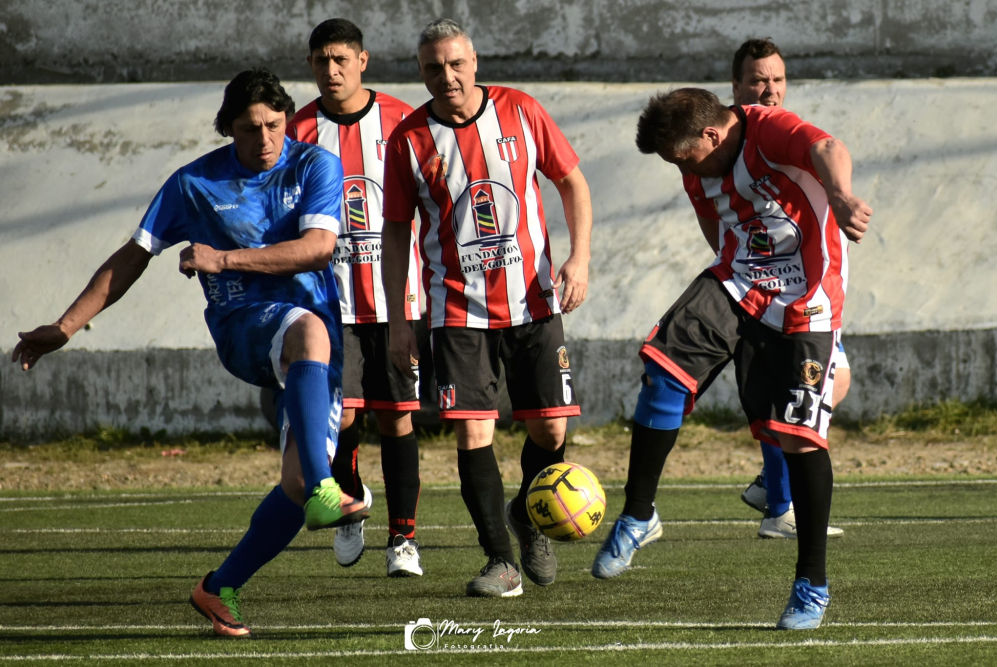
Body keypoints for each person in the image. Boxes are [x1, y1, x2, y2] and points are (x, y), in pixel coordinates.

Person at [11, 68, 369, 638]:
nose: (265, 138)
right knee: (306, 331)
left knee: (296, 484)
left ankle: (219, 586)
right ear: (228, 128)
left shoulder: (314, 164)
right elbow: (133, 255)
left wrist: (223, 259)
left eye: (274, 125)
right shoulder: (194, 183)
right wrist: (65, 326)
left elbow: (319, 248)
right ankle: (331, 488)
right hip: (244, 329)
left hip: (312, 339)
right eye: (250, 128)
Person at [591, 87, 871, 631]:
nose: (681, 168)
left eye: (683, 157)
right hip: (739, 279)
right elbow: (713, 217)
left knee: (799, 438)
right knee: (663, 372)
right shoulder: (694, 158)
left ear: (713, 135)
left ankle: (811, 583)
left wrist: (839, 196)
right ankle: (638, 514)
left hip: (806, 295)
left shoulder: (765, 130)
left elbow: (828, 146)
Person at [380, 18, 593, 598]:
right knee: (474, 433)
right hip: (457, 314)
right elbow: (396, 231)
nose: (446, 77)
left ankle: (528, 514)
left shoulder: (521, 111)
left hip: (535, 301)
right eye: (432, 68)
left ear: (474, 63)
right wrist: (401, 321)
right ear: (421, 73)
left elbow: (572, 181)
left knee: (549, 430)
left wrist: (579, 258)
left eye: (455, 64)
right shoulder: (409, 140)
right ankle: (500, 560)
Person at [286, 17, 423, 577]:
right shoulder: (296, 130)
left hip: (395, 300)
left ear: (363, 60)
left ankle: (403, 540)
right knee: (340, 422)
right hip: (326, 304)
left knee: (396, 420)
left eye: (341, 59)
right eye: (321, 60)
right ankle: (349, 504)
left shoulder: (402, 121)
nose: (332, 70)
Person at [729, 38, 848, 540]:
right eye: (759, 80)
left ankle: (771, 487)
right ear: (736, 87)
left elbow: (823, 148)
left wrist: (838, 196)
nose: (770, 89)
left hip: (817, 286)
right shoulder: (747, 135)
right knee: (816, 388)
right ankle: (779, 504)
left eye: (777, 79)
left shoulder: (779, 130)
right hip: (787, 296)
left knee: (827, 386)